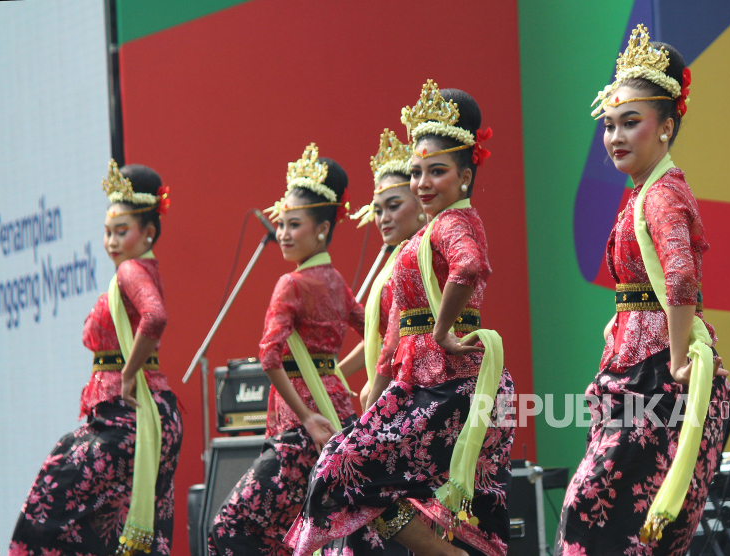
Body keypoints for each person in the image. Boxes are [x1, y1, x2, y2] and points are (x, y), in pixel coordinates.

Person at [286, 81, 514, 556]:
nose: (423, 183)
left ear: (465, 177)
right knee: (428, 504)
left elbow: (469, 267)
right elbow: (399, 325)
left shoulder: (453, 223)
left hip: (450, 386)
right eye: (416, 172)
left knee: (342, 470)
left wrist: (443, 331)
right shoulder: (424, 235)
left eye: (437, 171)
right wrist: (381, 377)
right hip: (426, 383)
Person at [555, 25, 730, 555]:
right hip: (638, 371)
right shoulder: (643, 194)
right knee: (608, 527)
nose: (615, 137)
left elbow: (679, 277)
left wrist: (678, 360)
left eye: (631, 122)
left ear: (667, 127)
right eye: (609, 125)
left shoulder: (660, 195)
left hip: (660, 378)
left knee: (595, 517)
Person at [9, 161, 182, 556]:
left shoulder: (130, 272)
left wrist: (128, 373)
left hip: (128, 418)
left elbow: (155, 317)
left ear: (148, 232)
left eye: (122, 231)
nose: (111, 241)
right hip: (150, 417)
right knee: (121, 531)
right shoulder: (145, 269)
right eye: (107, 232)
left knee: (47, 510)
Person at [206, 143, 366, 556]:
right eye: (282, 224)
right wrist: (339, 380)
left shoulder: (291, 284)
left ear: (322, 230)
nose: (282, 234)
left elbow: (269, 357)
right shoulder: (335, 282)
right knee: (301, 538)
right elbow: (379, 333)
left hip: (303, 431)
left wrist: (309, 417)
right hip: (341, 424)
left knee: (229, 531)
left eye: (294, 225)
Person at [348, 127, 426, 412]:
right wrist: (335, 376)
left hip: (421, 387)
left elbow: (396, 337)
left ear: (420, 202)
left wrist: (377, 393)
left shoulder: (419, 253)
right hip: (399, 382)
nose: (383, 218)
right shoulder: (397, 258)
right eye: (377, 210)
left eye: (393, 206)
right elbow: (381, 336)